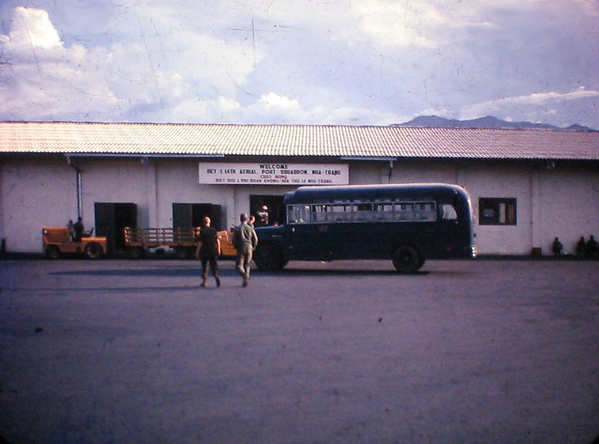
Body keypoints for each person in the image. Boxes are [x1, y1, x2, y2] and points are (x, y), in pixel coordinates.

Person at [233, 213, 258, 287]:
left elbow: (234, 240)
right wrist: (253, 247)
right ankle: (246, 279)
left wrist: (236, 247)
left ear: (240, 219)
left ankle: (244, 275)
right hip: (249, 247)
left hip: (241, 247)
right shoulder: (250, 228)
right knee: (247, 264)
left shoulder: (238, 228)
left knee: (239, 265)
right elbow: (255, 239)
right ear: (246, 219)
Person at [195, 216, 221, 287]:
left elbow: (200, 242)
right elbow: (217, 241)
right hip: (213, 250)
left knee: (205, 266)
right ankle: (216, 275)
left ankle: (204, 282)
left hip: (205, 251)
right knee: (214, 265)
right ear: (210, 222)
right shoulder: (214, 230)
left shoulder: (202, 231)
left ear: (203, 223)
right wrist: (218, 249)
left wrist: (197, 251)